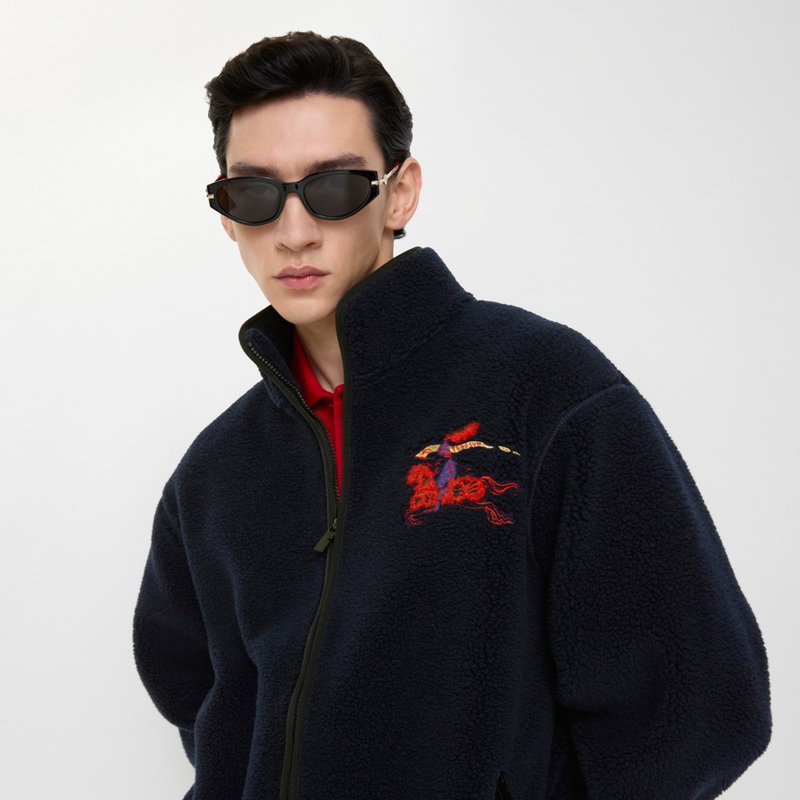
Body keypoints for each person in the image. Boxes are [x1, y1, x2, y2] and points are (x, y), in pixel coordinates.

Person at [132, 31, 771, 800]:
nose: (294, 232)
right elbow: (204, 705)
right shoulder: (215, 474)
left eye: (333, 187)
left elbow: (700, 704)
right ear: (227, 214)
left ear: (400, 193)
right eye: (256, 196)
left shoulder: (544, 390)